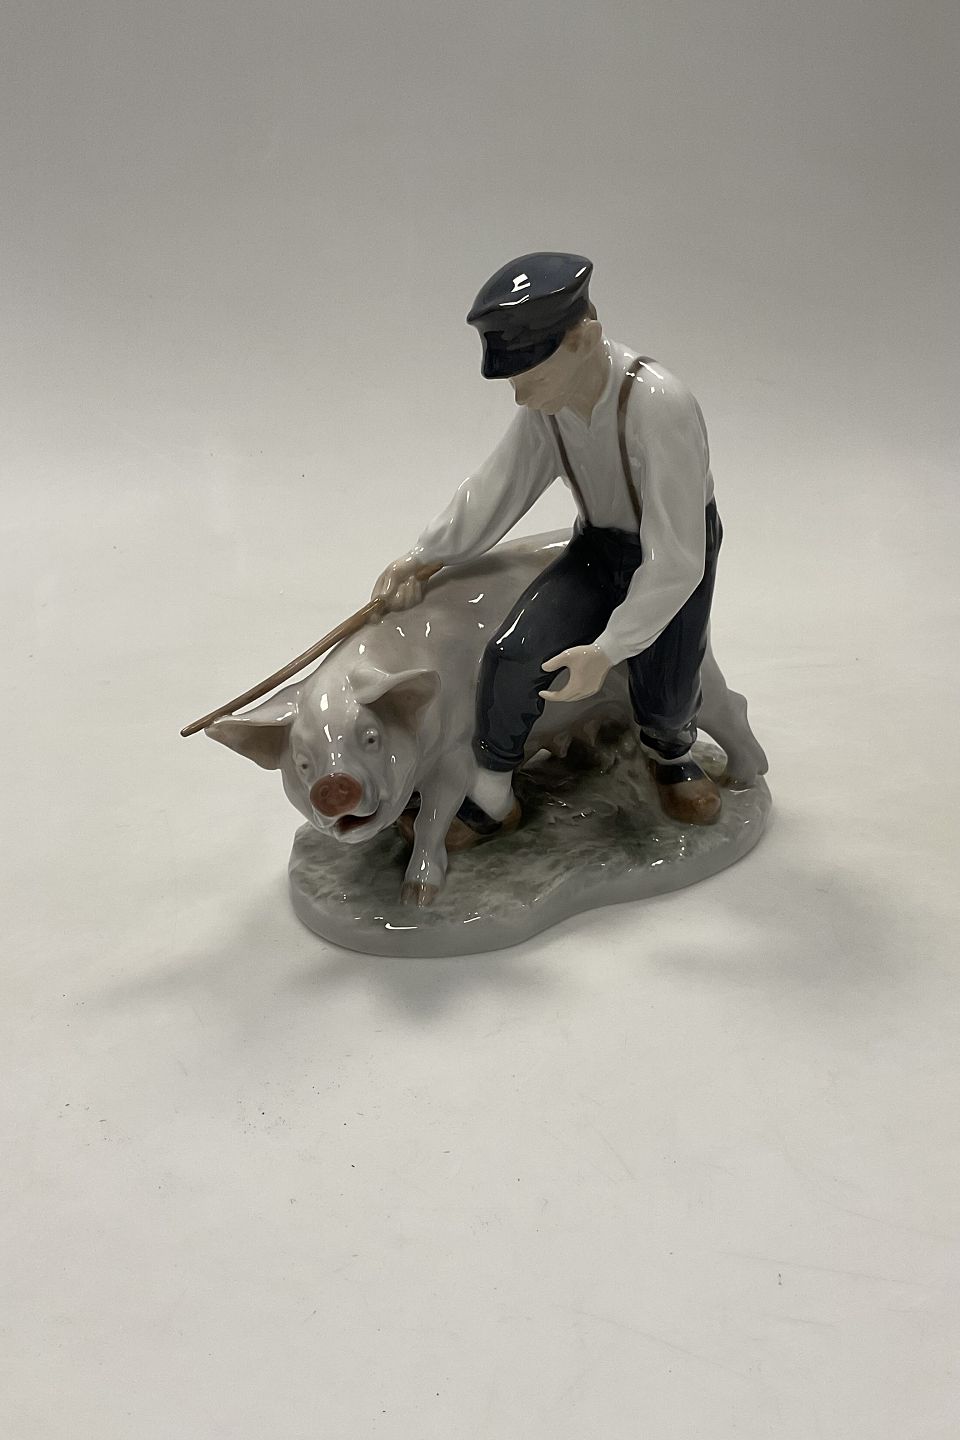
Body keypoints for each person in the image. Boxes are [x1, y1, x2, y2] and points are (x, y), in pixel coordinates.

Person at [372, 251, 724, 841]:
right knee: (513, 654)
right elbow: (498, 485)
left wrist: (607, 649)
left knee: (665, 685)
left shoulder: (659, 404)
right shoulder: (550, 405)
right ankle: (492, 794)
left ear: (583, 340)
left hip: (675, 551)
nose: (520, 397)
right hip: (598, 548)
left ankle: (670, 754)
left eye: (528, 379)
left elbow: (677, 558)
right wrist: (423, 557)